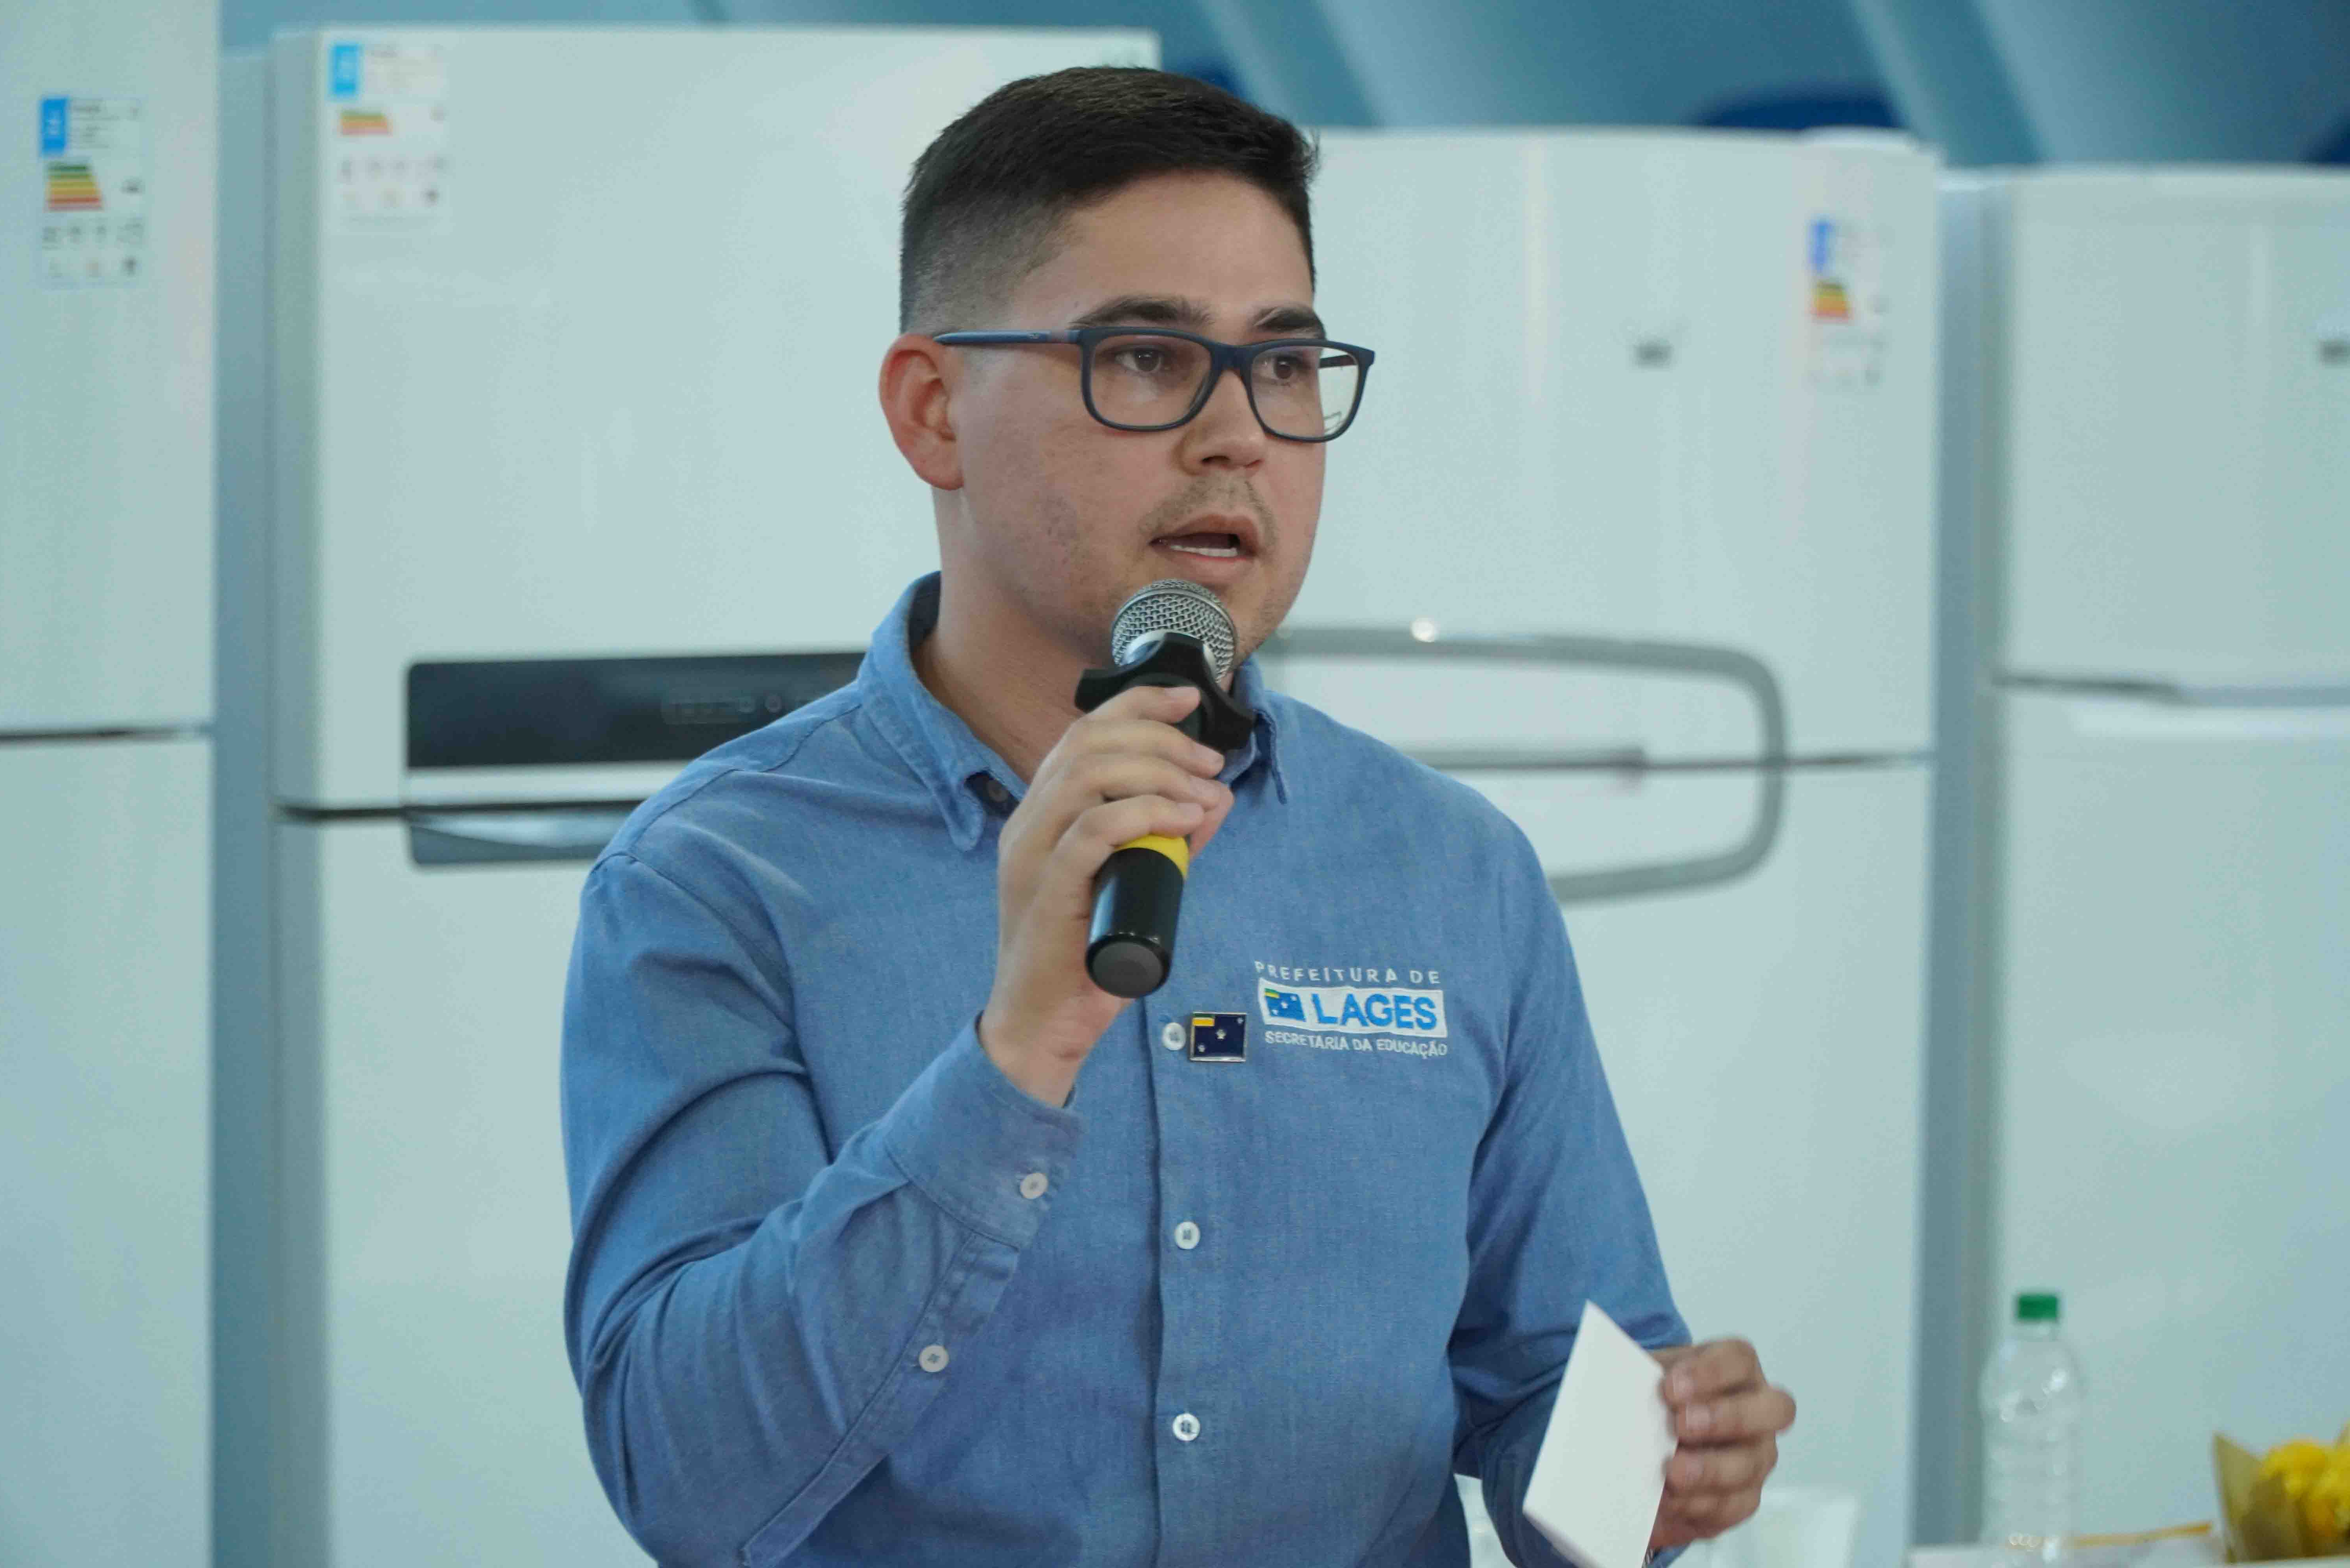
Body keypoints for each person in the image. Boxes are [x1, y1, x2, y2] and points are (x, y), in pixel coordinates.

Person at [561, 66, 1795, 1568]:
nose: (1238, 437)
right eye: (1145, 360)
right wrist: (1017, 1053)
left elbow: (1552, 1396)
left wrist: (1652, 1471)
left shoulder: (1452, 870)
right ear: (934, 410)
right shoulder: (716, 878)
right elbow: (686, 1483)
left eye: (1284, 365)